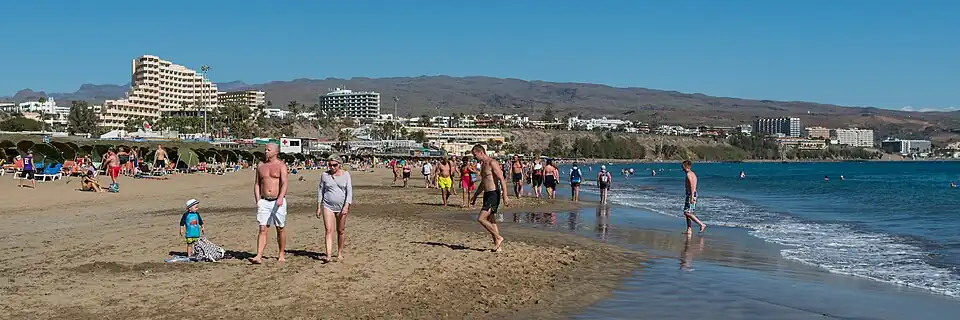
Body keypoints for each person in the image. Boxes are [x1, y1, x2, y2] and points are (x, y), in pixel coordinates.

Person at [250, 143, 289, 264]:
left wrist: (281, 197)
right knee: (262, 228)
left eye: (269, 150)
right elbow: (257, 184)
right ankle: (259, 255)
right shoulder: (261, 166)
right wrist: (258, 200)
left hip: (278, 201)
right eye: (265, 149)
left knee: (280, 228)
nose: (266, 151)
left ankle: (281, 253)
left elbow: (284, 183)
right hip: (264, 201)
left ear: (275, 152)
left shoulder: (281, 165)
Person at [469, 144, 508, 252]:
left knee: (481, 218)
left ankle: (499, 237)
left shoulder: (492, 162)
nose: (474, 157)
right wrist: (476, 195)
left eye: (475, 155)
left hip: (494, 194)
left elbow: (501, 179)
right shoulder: (482, 165)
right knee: (492, 220)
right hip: (487, 194)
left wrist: (505, 195)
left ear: (481, 152)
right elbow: (483, 182)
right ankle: (497, 246)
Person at [316, 155, 352, 263]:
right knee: (328, 230)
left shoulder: (345, 175)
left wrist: (346, 206)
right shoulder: (324, 175)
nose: (332, 167)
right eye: (330, 165)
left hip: (341, 206)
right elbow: (320, 191)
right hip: (327, 206)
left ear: (339, 164)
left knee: (340, 230)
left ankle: (340, 252)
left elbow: (349, 191)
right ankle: (329, 255)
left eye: (334, 165)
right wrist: (318, 206)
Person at [681, 160, 706, 234]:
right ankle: (689, 229)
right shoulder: (692, 174)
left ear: (685, 166)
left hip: (691, 194)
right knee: (688, 212)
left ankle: (701, 224)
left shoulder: (689, 174)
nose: (681, 168)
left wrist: (691, 196)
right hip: (691, 194)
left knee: (687, 212)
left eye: (682, 166)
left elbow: (692, 186)